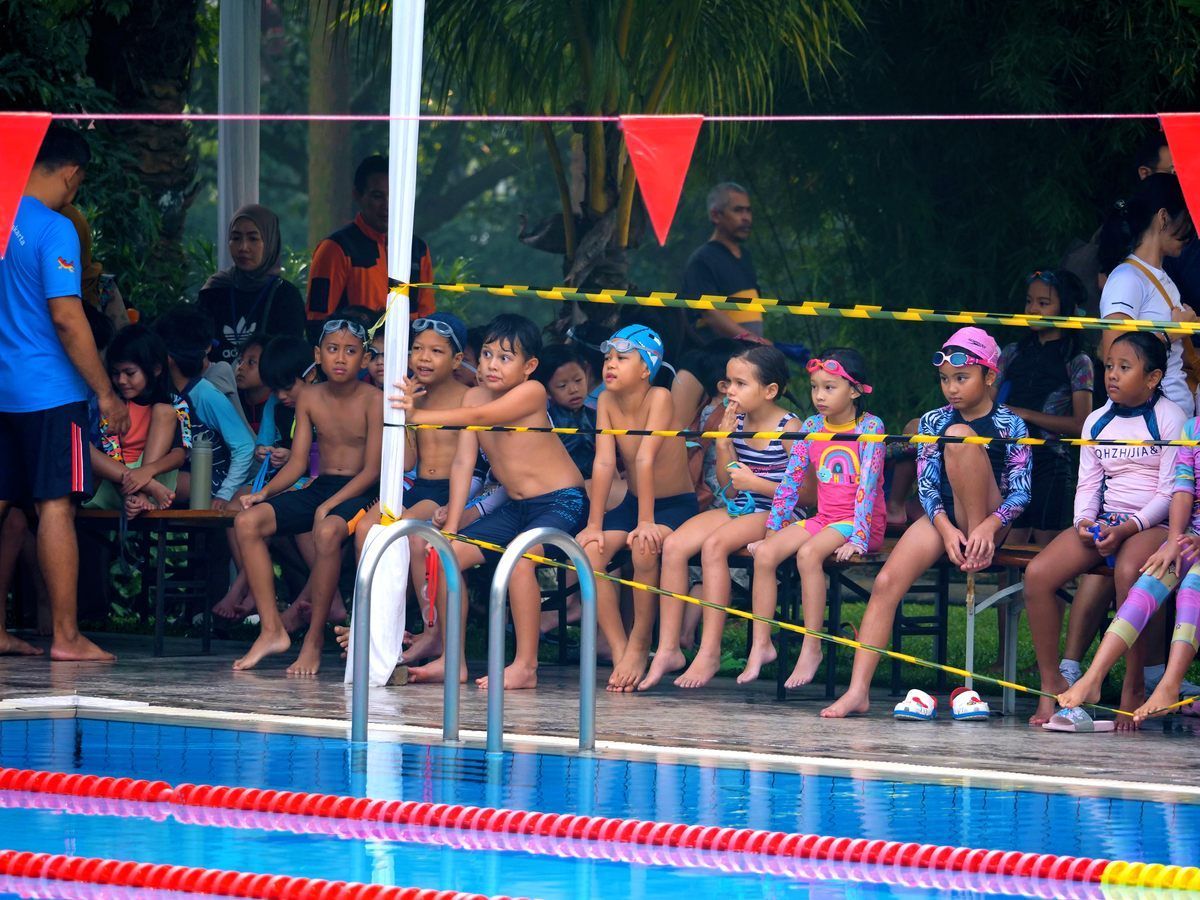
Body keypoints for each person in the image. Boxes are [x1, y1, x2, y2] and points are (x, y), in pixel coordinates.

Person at [821, 328, 1031, 718]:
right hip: (945, 517)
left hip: (990, 517)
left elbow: (1021, 492)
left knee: (960, 436)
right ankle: (858, 690)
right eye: (945, 379)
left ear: (989, 377)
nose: (951, 388)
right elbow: (928, 485)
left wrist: (986, 526)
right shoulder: (933, 420)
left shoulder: (1010, 425)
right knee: (885, 583)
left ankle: (972, 539)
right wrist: (947, 528)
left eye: (961, 378)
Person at [390, 314, 588, 690]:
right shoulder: (474, 395)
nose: (492, 365)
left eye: (505, 357)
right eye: (486, 355)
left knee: (519, 560)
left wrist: (418, 414)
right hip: (515, 507)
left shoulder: (532, 393)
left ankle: (526, 665)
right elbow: (465, 462)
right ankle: (453, 660)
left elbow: (480, 416)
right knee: (449, 554)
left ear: (529, 367)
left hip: (562, 501)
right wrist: (450, 528)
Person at [0, 123, 127, 661]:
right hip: (51, 394)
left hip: (3, 391)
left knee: (7, 508)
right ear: (72, 173)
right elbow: (68, 317)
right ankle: (67, 637)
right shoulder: (56, 229)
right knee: (56, 506)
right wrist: (105, 391)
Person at [1023, 332, 1185, 729]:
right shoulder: (1096, 419)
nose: (1111, 375)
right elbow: (1088, 484)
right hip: (1106, 519)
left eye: (1124, 368)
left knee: (1132, 572)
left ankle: (1133, 688)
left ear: (1152, 378)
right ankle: (1053, 685)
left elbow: (1171, 490)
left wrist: (1131, 525)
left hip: (1153, 523)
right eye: (1109, 366)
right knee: (1038, 575)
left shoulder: (1171, 418)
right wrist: (1084, 522)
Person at [640, 345, 797, 691]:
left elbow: (807, 495)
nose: (729, 391)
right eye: (728, 383)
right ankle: (668, 649)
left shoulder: (789, 428)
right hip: (743, 506)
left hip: (778, 511)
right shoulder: (735, 421)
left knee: (714, 547)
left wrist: (756, 482)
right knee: (676, 545)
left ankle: (709, 650)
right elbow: (729, 489)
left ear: (770, 391)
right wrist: (725, 444)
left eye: (740, 384)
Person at [234, 319, 382, 675]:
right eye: (333, 349)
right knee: (248, 521)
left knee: (329, 530)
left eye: (351, 351)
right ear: (318, 356)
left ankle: (314, 641)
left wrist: (329, 505)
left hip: (363, 490)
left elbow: (372, 471)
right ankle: (271, 629)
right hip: (321, 486)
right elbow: (298, 462)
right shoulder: (311, 397)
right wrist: (265, 493)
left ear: (364, 360)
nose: (341, 358)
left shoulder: (373, 401)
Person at [739, 349, 886, 688]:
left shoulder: (870, 427)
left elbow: (868, 486)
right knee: (765, 554)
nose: (819, 396)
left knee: (808, 555)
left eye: (829, 388)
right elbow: (791, 481)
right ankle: (762, 644)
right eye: (815, 387)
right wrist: (772, 531)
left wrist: (859, 538)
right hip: (825, 518)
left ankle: (812, 645)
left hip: (858, 523)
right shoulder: (811, 426)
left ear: (855, 390)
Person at [575, 325, 698, 692]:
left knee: (644, 547)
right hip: (633, 501)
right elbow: (603, 464)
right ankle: (619, 646)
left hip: (674, 505)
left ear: (646, 368)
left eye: (622, 358)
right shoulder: (607, 403)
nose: (610, 365)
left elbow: (644, 459)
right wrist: (594, 524)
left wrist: (646, 522)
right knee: (589, 553)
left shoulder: (659, 397)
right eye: (608, 357)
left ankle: (641, 641)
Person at [995, 269, 1095, 544]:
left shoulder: (1078, 361)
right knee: (1007, 550)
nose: (1032, 309)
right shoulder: (1012, 352)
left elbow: (1081, 426)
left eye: (1043, 303)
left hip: (1049, 462)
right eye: (1029, 301)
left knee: (1045, 550)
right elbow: (989, 403)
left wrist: (1026, 414)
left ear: (1063, 307)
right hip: (1007, 458)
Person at [1097, 173, 1195, 416]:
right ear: (1163, 218)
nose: (1191, 228)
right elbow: (1114, 355)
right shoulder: (1127, 279)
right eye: (1187, 217)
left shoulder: (1163, 280)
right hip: (1147, 424)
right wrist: (1170, 333)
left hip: (1171, 418)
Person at [305, 155, 435, 336]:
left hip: (406, 358)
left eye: (394, 196)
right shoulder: (335, 249)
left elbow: (427, 319)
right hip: (354, 357)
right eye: (377, 196)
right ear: (357, 195)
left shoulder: (417, 250)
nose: (387, 205)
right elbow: (317, 323)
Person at [155, 308, 255, 510]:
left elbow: (244, 446)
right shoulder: (164, 392)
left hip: (214, 480)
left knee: (164, 484)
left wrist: (226, 494)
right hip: (183, 471)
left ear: (168, 358)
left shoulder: (205, 393)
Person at [85, 325, 186, 514]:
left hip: (156, 479)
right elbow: (109, 455)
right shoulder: (110, 404)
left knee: (164, 411)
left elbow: (179, 455)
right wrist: (135, 486)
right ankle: (141, 493)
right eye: (115, 373)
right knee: (81, 447)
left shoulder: (174, 403)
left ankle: (143, 492)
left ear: (156, 369)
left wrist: (146, 473)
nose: (121, 380)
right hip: (115, 483)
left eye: (129, 373)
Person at [198, 205, 305, 364]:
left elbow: (289, 358)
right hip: (215, 385)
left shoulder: (285, 296)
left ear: (270, 242)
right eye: (236, 238)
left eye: (253, 238)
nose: (243, 247)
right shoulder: (215, 289)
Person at [681, 183, 766, 341]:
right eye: (738, 210)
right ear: (715, 215)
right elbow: (711, 314)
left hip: (749, 355)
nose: (746, 217)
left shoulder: (745, 256)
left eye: (748, 210)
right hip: (717, 357)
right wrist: (755, 340)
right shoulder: (703, 259)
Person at [534, 343, 597, 480]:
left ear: (587, 374)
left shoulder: (596, 417)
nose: (573, 389)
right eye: (562, 386)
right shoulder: (546, 422)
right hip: (560, 487)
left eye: (578, 380)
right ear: (547, 391)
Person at [235, 335, 272, 434]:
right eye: (240, 361)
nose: (241, 367)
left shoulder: (281, 404)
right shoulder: (233, 401)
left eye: (251, 362)